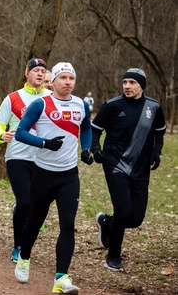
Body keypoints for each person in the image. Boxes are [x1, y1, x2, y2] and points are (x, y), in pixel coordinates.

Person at [13, 62, 92, 294]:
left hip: (69, 175)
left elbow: (86, 128)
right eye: (63, 78)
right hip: (43, 174)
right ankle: (24, 256)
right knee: (35, 221)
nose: (68, 82)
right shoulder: (41, 103)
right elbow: (20, 133)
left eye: (71, 78)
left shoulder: (81, 104)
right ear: (54, 81)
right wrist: (45, 143)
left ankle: (61, 277)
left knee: (68, 224)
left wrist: (86, 149)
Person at [90, 68, 165, 272]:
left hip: (141, 168)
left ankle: (106, 223)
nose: (127, 86)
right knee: (123, 211)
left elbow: (160, 132)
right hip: (115, 164)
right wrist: (96, 149)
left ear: (142, 85)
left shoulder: (154, 107)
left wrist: (156, 152)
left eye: (132, 82)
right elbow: (95, 129)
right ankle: (113, 257)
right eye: (125, 82)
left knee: (136, 218)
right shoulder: (112, 106)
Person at [0, 57, 49, 262]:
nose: (40, 73)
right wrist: (1, 135)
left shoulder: (51, 98)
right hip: (18, 157)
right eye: (35, 70)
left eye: (43, 70)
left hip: (44, 160)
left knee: (37, 207)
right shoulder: (13, 98)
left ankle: (28, 228)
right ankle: (19, 246)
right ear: (26, 73)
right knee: (25, 202)